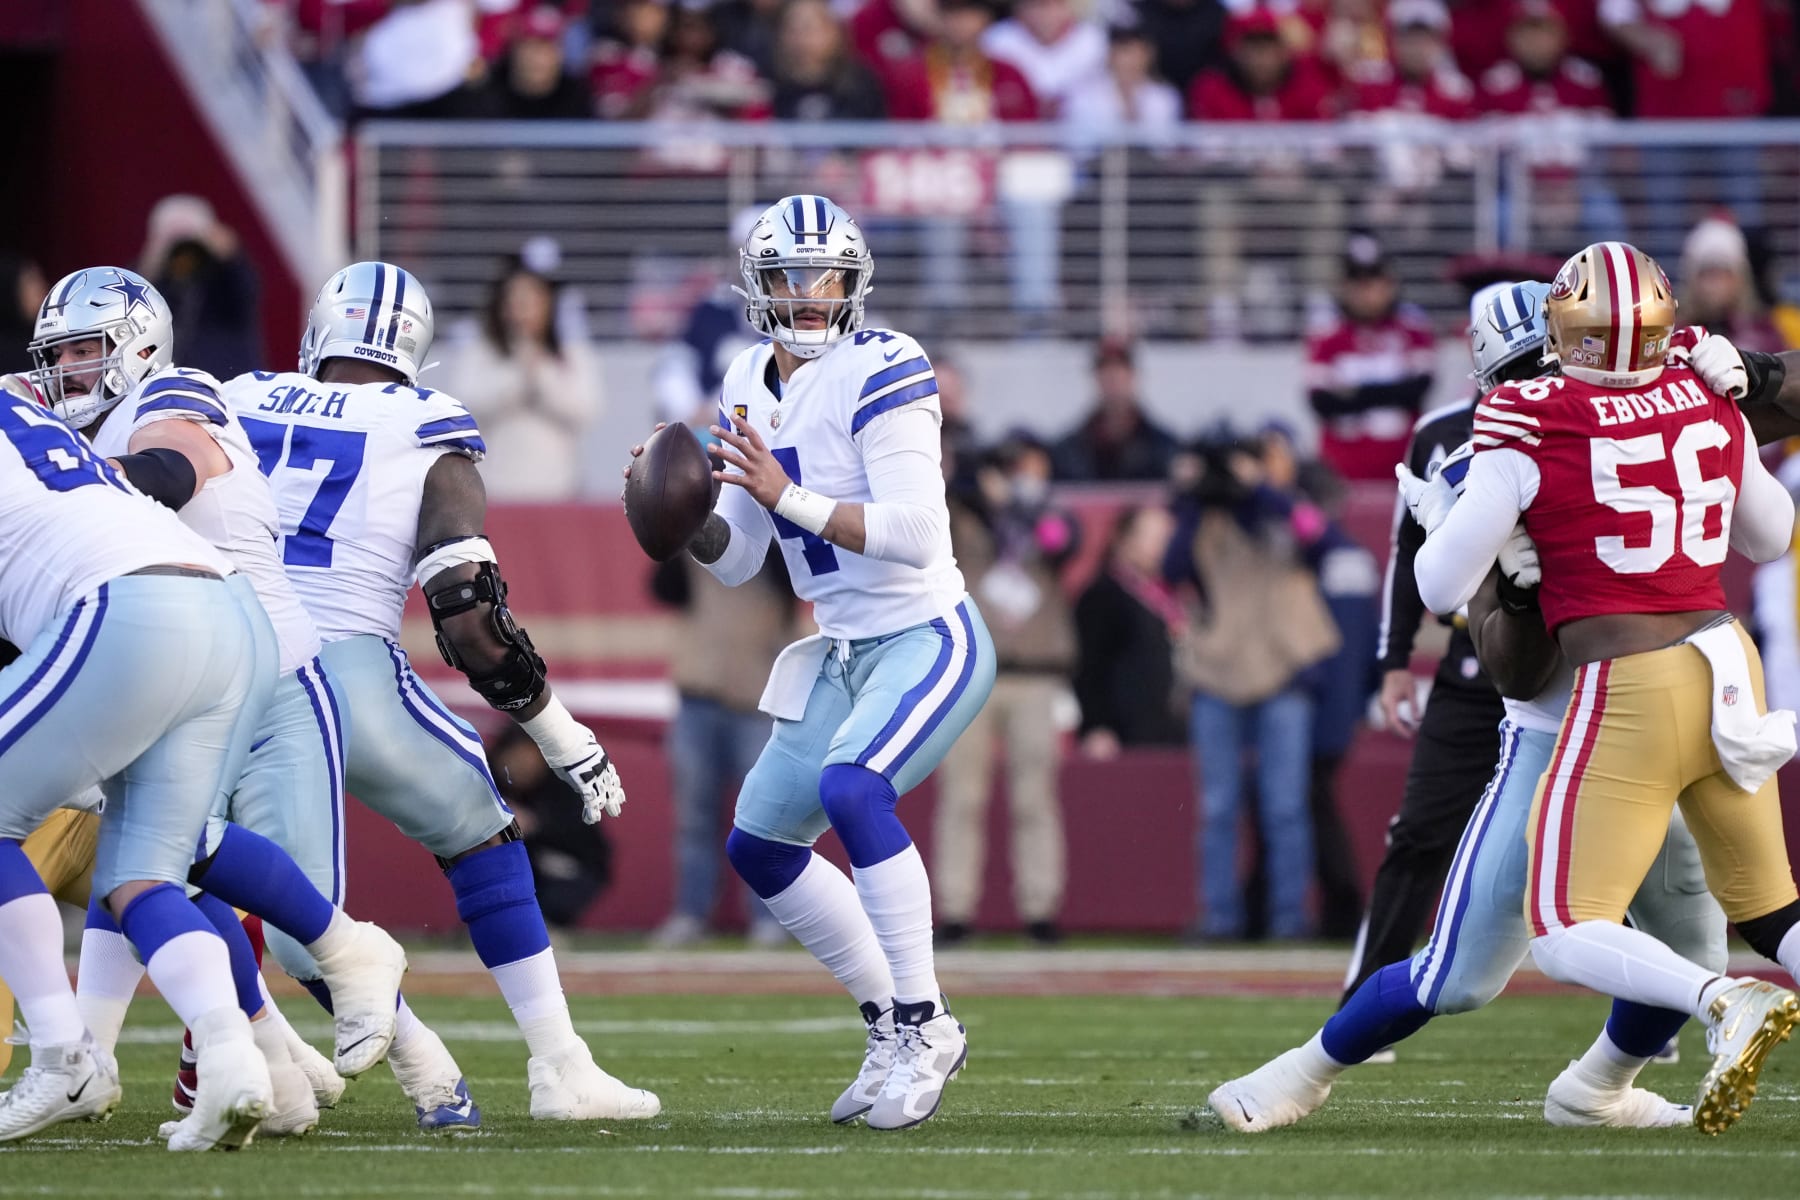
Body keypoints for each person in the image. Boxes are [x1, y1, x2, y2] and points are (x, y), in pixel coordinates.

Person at [1209, 280, 1734, 1134]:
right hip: (1556, 729)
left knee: (1693, 950)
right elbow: (1480, 631)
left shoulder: (1656, 411)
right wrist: (1504, 580)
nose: (1546, 384)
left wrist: (1739, 372)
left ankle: (1597, 1089)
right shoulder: (1490, 452)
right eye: (1527, 371)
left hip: (1646, 725)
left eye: (1553, 363)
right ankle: (1295, 1075)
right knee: (1456, 975)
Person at [29, 265, 471, 1135]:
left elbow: (174, 467)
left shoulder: (177, 391)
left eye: (87, 350)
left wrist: (75, 481)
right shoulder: (56, 432)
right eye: (59, 354)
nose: (69, 370)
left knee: (257, 912)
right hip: (184, 671)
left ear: (140, 348)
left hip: (270, 674)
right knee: (151, 861)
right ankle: (171, 1057)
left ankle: (376, 1034)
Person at [219, 261, 660, 1124]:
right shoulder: (425, 421)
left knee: (278, 905)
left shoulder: (239, 398)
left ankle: (419, 1065)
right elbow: (469, 620)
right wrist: (561, 734)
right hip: (345, 667)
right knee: (480, 831)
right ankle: (559, 1065)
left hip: (225, 662)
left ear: (319, 332)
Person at [622, 195, 995, 1130]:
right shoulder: (745, 378)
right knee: (758, 844)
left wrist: (787, 494)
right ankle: (887, 1021)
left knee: (855, 791)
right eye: (792, 276)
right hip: (841, 645)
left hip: (925, 630)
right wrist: (680, 516)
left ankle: (926, 1021)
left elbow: (918, 532)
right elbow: (741, 554)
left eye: (827, 276)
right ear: (758, 286)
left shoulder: (887, 363)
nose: (812, 294)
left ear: (853, 281)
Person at [1410, 242, 1800, 1135]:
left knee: (1562, 925)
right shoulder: (1703, 379)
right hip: (1728, 662)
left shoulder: (1524, 414)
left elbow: (1438, 587)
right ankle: (1615, 1076)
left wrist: (1455, 524)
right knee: (1772, 908)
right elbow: (1771, 534)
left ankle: (1721, 999)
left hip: (1629, 677)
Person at [0, 376, 341, 1148]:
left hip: (129, 608)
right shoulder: (27, 426)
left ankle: (63, 1057)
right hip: (231, 611)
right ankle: (232, 1060)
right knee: (143, 876)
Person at [1341, 283, 1536, 1005]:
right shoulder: (1442, 432)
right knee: (1420, 834)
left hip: (1567, 661)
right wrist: (1395, 662)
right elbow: (1410, 557)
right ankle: (1363, 1005)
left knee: (1614, 838)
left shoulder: (1581, 418)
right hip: (1474, 665)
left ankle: (1652, 1013)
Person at [1166, 430, 1341, 941]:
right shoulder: (1205, 517)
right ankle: (1220, 918)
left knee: (1284, 805)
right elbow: (1173, 567)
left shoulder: (1285, 509)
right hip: (1219, 669)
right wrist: (1194, 496)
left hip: (1283, 668)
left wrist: (1259, 489)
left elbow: (1323, 542)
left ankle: (1289, 919)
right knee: (1218, 806)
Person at [934, 433, 1077, 945]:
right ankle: (955, 909)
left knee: (1034, 799)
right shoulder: (958, 515)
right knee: (962, 797)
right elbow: (929, 538)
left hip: (1033, 673)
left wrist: (1014, 506)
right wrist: (971, 492)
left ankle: (1041, 908)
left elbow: (1062, 542)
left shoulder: (1049, 515)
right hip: (972, 671)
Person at [648, 543, 796, 948]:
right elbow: (662, 588)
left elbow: (798, 586)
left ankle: (768, 915)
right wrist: (680, 534)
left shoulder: (777, 545)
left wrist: (771, 533)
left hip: (757, 700)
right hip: (698, 695)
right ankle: (691, 913)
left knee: (763, 816)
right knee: (694, 817)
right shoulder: (694, 541)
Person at [449, 257, 602, 501]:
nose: (523, 310)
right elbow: (466, 407)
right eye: (516, 300)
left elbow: (585, 409)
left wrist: (541, 375)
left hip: (557, 491)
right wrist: (517, 376)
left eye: (532, 300)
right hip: (496, 491)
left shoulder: (569, 354)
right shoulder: (482, 352)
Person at [1306, 236, 1438, 482]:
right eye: (1356, 281)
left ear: (1390, 282)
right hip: (1340, 477)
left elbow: (1418, 389)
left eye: (1373, 280)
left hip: (1405, 474)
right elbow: (1321, 401)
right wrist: (1391, 392)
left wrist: (1353, 393)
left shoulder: (1413, 330)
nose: (1365, 291)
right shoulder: (1326, 336)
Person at [1074, 504, 1185, 754]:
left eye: (1168, 538)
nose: (1164, 546)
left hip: (1169, 731)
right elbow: (1088, 667)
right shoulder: (1102, 596)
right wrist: (1097, 724)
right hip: (1124, 734)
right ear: (1124, 540)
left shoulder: (1172, 595)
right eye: (1155, 538)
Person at [138, 196, 263, 383]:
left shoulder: (224, 279)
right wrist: (148, 272)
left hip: (229, 384)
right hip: (173, 388)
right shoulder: (154, 281)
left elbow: (247, 294)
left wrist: (230, 258)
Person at [1048, 337, 1179, 482]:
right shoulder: (1067, 452)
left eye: (1119, 371)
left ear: (1132, 376)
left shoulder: (1165, 448)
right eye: (1106, 372)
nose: (1113, 379)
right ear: (1096, 379)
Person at [768, 0, 887, 119]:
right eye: (792, 30)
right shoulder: (771, 84)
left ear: (833, 32)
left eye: (808, 29)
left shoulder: (859, 84)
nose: (800, 38)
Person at [483, 5, 594, 118]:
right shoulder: (487, 93)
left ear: (560, 52)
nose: (536, 55)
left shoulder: (579, 98)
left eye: (544, 45)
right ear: (513, 49)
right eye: (529, 44)